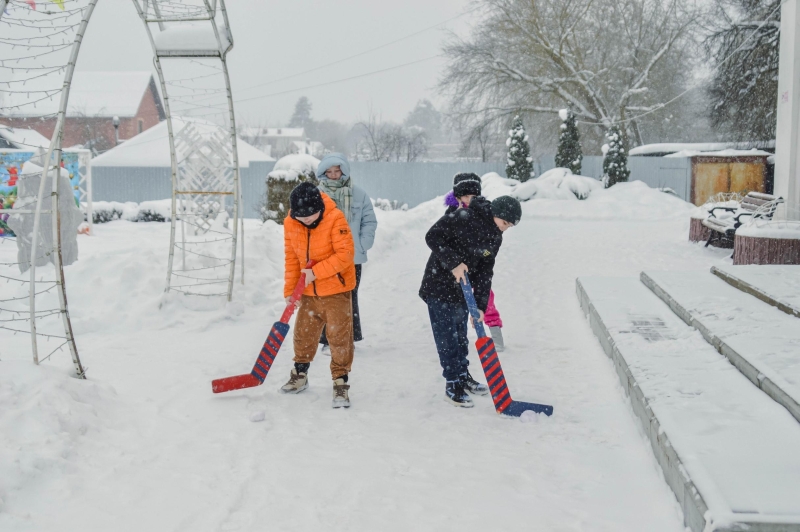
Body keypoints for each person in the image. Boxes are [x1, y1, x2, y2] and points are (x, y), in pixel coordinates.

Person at [419, 190, 522, 408]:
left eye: (509, 226)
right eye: (504, 222)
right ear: (495, 213)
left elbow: (486, 271)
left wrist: (481, 307)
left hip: (461, 290)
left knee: (460, 335)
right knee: (447, 337)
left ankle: (462, 375)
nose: (505, 228)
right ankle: (452, 383)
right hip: (438, 285)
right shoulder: (463, 217)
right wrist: (454, 263)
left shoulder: (495, 236)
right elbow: (432, 236)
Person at [281, 181, 356, 408]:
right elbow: (292, 258)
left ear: (320, 209)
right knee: (303, 334)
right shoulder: (290, 223)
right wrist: (290, 291)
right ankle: (300, 374)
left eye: (311, 216)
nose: (306, 221)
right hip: (307, 292)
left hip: (336, 290)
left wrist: (316, 272)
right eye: (301, 217)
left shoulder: (335, 218)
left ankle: (340, 381)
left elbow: (345, 254)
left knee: (339, 338)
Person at [315, 153, 377, 355]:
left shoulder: (358, 194)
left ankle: (348, 336)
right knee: (327, 296)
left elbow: (369, 221)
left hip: (352, 257)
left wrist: (363, 243)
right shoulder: (317, 196)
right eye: (329, 172)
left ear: (344, 171)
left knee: (349, 295)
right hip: (326, 256)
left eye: (337, 171)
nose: (333, 175)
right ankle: (327, 339)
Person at [443, 174, 506, 351]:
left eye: (474, 196)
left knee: (486, 299)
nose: (470, 200)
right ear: (458, 196)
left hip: (477, 266)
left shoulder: (483, 212)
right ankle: (453, 336)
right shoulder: (451, 214)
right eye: (466, 196)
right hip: (456, 267)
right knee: (453, 302)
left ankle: (495, 333)